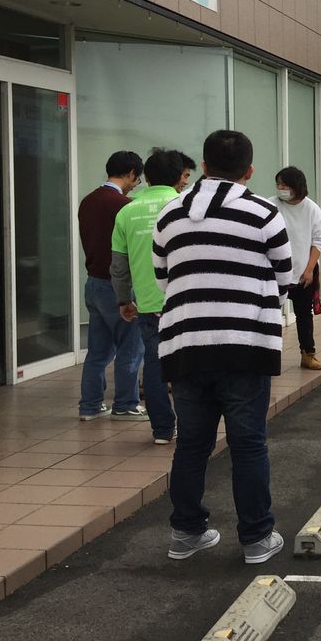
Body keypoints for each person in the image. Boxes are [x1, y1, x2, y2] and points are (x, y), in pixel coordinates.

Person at [154, 130, 294, 564]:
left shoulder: (170, 214)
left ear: (203, 166)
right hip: (245, 345)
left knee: (192, 444)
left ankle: (186, 533)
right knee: (248, 443)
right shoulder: (264, 213)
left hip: (185, 344)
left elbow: (163, 279)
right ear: (249, 171)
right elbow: (284, 278)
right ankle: (256, 538)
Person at [110, 148, 187, 445]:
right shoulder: (185, 205)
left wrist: (123, 300)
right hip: (186, 303)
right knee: (187, 366)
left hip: (148, 304)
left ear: (147, 177)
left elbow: (118, 267)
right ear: (178, 177)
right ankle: (190, 426)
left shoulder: (127, 211)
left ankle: (162, 430)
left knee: (154, 367)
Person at [77, 150, 145, 421]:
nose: (135, 185)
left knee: (98, 351)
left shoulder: (88, 201)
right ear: (131, 173)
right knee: (131, 346)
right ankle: (126, 404)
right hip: (117, 285)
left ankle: (90, 406)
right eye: (137, 179)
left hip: (93, 283)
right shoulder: (124, 205)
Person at [275, 166, 321, 371]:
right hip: (275, 273)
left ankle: (308, 354)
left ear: (297, 186)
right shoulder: (271, 206)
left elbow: (319, 240)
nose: (281, 189)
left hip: (303, 272)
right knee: (271, 316)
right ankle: (269, 356)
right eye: (278, 185)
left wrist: (309, 270)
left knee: (304, 315)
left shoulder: (312, 209)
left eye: (284, 185)